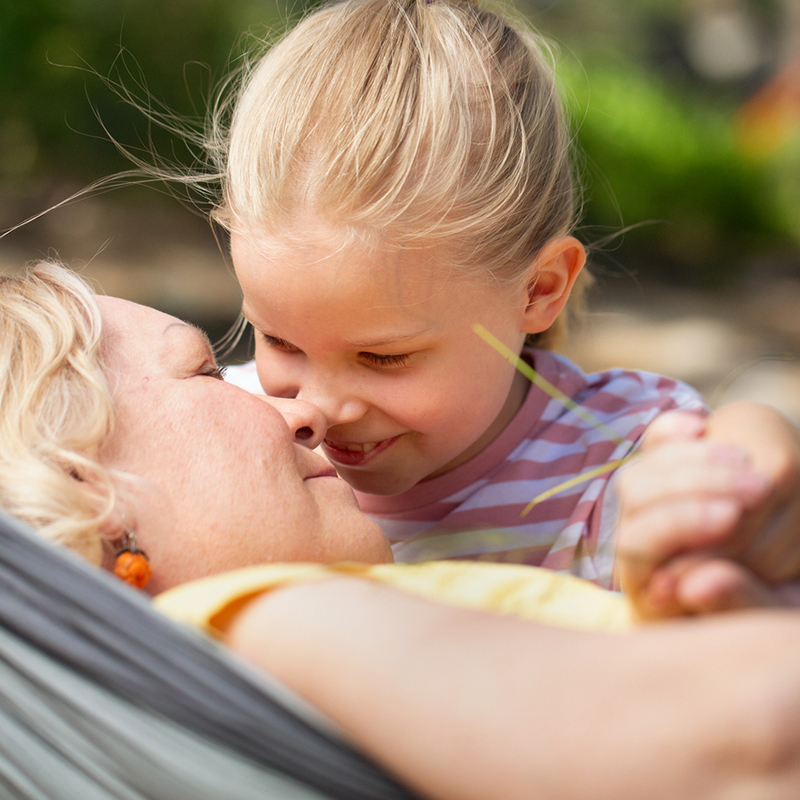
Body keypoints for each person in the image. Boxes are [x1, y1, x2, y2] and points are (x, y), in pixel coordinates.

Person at [5, 260, 800, 800]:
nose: (304, 413)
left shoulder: (225, 669)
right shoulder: (278, 616)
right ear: (88, 486)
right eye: (209, 372)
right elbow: (754, 736)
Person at [210, 0, 787, 589]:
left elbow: (738, 492)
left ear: (538, 290)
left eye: (383, 357)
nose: (318, 408)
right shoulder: (219, 429)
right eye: (279, 341)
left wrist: (750, 452)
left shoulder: (615, 467)